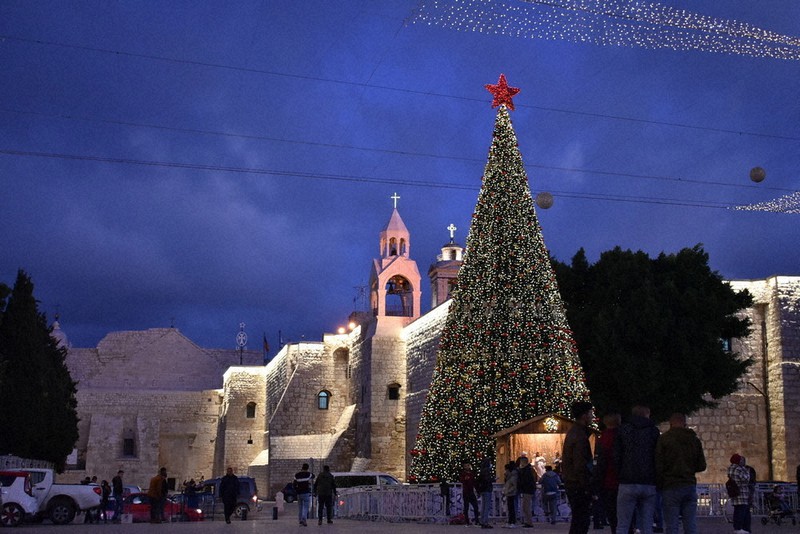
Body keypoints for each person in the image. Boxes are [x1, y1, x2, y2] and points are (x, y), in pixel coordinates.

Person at [654, 413, 706, 534]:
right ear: (685, 423)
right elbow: (702, 465)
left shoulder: (664, 440)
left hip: (670, 486)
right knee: (690, 524)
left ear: (671, 424)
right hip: (689, 484)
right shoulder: (694, 440)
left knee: (672, 525)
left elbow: (658, 464)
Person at [615, 405, 660, 534]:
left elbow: (617, 455)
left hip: (627, 480)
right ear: (647, 414)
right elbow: (657, 456)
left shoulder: (623, 430)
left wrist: (620, 474)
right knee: (647, 525)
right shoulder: (653, 431)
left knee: (623, 525)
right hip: (648, 481)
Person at [563, 400, 595, 534]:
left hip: (573, 483)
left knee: (579, 520)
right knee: (581, 521)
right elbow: (580, 463)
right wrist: (587, 485)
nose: (593, 416)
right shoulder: (580, 436)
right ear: (584, 415)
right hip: (578, 485)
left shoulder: (574, 432)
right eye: (591, 413)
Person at [593, 411, 621, 534]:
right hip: (622, 480)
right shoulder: (622, 436)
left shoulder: (602, 438)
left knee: (613, 516)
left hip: (607, 482)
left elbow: (600, 463)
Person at [727, 454, 751, 534]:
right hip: (742, 493)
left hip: (735, 493)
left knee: (737, 511)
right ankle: (739, 528)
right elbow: (746, 479)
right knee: (741, 511)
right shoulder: (738, 469)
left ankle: (737, 528)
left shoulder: (730, 468)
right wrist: (747, 472)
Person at [517, 456, 536, 528]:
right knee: (525, 506)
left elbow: (526, 480)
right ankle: (527, 521)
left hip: (527, 490)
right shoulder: (528, 470)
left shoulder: (527, 470)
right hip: (528, 489)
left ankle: (529, 522)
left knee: (526, 506)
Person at [477, 457, 496, 529]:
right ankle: (485, 522)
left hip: (483, 489)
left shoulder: (482, 471)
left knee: (483, 506)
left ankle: (482, 521)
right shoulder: (487, 471)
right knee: (486, 506)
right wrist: (493, 479)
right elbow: (487, 480)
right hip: (487, 489)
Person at [460, 462, 481, 526]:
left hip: (470, 492)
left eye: (468, 465)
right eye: (465, 466)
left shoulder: (472, 474)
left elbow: (474, 483)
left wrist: (477, 490)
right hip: (466, 492)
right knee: (466, 507)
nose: (467, 467)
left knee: (475, 506)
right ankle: (467, 521)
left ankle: (476, 520)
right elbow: (463, 481)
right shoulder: (463, 474)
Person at [503, 461, 519, 529]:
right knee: (509, 508)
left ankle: (512, 521)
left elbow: (514, 486)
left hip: (511, 494)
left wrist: (508, 491)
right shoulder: (510, 477)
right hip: (509, 493)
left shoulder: (513, 477)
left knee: (511, 508)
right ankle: (510, 521)